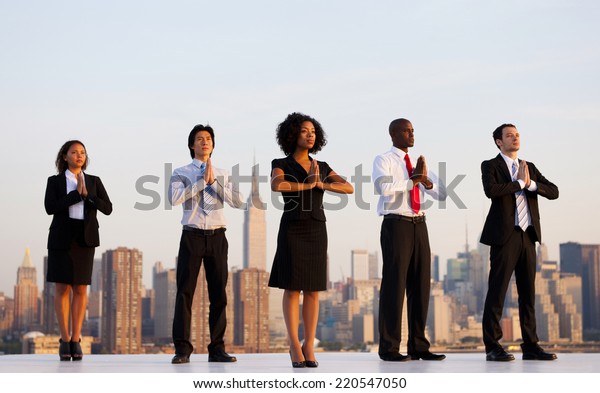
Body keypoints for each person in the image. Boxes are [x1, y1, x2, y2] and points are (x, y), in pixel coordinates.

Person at [269, 112, 353, 368]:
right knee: (292, 288)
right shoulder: (281, 162)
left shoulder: (323, 167)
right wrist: (309, 185)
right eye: (305, 131)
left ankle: (308, 345)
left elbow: (348, 188)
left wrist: (323, 185)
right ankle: (294, 344)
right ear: (293, 134)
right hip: (293, 228)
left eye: (313, 131)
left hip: (316, 228)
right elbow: (277, 186)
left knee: (313, 290)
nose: (310, 134)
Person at [481, 123, 559, 361]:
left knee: (528, 293)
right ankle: (493, 346)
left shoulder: (529, 167)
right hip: (505, 236)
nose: (515, 138)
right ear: (499, 142)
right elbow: (491, 190)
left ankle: (531, 346)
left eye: (517, 135)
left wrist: (531, 184)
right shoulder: (490, 165)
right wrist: (518, 184)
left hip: (528, 236)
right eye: (509, 136)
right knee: (497, 292)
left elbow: (554, 191)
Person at [372, 118, 447, 362]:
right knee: (395, 286)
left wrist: (425, 180)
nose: (412, 134)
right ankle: (389, 348)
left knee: (421, 286)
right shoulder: (383, 160)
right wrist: (412, 180)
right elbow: (383, 188)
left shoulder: (418, 163)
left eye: (413, 130)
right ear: (394, 134)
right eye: (406, 130)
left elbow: (443, 194)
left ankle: (418, 346)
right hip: (397, 224)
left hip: (419, 224)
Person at [169, 124, 244, 364]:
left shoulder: (223, 173)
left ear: (213, 144)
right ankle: (182, 350)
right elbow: (174, 199)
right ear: (192, 145)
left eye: (208, 138)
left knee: (219, 295)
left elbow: (238, 201)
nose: (204, 142)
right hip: (191, 236)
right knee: (184, 294)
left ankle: (217, 349)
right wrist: (201, 182)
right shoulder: (180, 172)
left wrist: (214, 183)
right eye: (200, 139)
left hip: (217, 236)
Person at [44, 140, 112, 361]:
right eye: (74, 152)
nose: (79, 155)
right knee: (62, 288)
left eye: (82, 152)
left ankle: (76, 338)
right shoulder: (54, 181)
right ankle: (64, 340)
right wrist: (75, 195)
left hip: (85, 238)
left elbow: (108, 208)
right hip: (62, 238)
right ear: (65, 156)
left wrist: (88, 196)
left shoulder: (94, 181)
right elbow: (50, 207)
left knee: (81, 289)